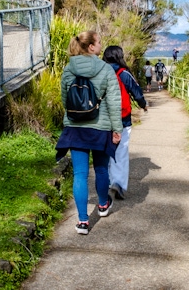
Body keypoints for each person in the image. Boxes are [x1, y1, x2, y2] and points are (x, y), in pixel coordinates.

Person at [55, 31, 123, 235]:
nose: (101, 44)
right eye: (99, 42)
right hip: (100, 128)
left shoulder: (69, 68)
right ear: (91, 47)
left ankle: (83, 221)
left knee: (80, 175)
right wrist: (116, 129)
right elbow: (113, 101)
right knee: (101, 169)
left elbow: (65, 99)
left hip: (75, 128)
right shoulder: (105, 69)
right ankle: (103, 205)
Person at [102, 46, 147, 201]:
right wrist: (143, 105)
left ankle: (105, 183)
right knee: (120, 152)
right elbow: (137, 92)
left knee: (105, 152)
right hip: (123, 119)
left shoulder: (100, 71)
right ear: (119, 57)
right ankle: (118, 184)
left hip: (103, 119)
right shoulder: (124, 73)